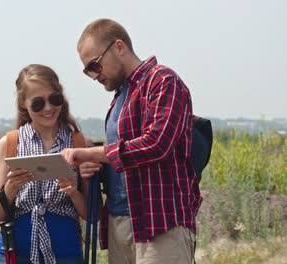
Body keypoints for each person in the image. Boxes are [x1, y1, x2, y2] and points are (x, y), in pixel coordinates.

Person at [61, 18, 202, 264]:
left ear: (119, 47)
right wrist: (96, 168)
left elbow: (155, 146)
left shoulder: (163, 81)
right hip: (120, 224)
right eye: (88, 71)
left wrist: (88, 154)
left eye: (95, 65)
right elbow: (123, 163)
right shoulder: (119, 99)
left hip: (160, 224)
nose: (94, 76)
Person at [0, 64, 89, 264]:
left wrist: (74, 193)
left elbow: (93, 215)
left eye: (54, 99)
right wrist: (10, 188)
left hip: (65, 253)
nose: (49, 108)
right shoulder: (9, 144)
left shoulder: (79, 143)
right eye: (38, 103)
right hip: (13, 254)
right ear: (23, 104)